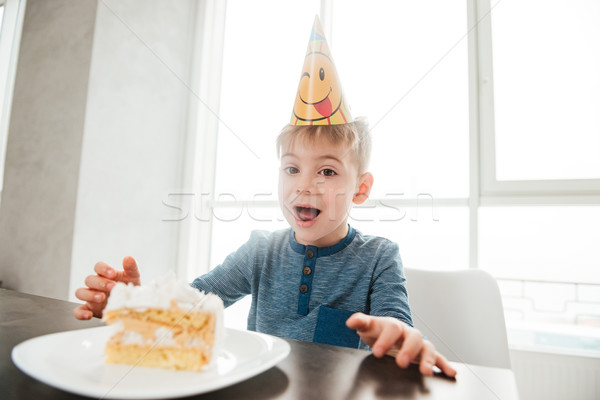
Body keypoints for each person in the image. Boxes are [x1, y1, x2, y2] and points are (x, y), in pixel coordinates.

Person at [73, 16, 457, 378]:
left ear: (361, 189)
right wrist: (132, 304)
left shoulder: (379, 257)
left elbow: (396, 324)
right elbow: (191, 305)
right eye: (292, 169)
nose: (304, 185)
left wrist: (394, 335)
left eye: (326, 171)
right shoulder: (260, 251)